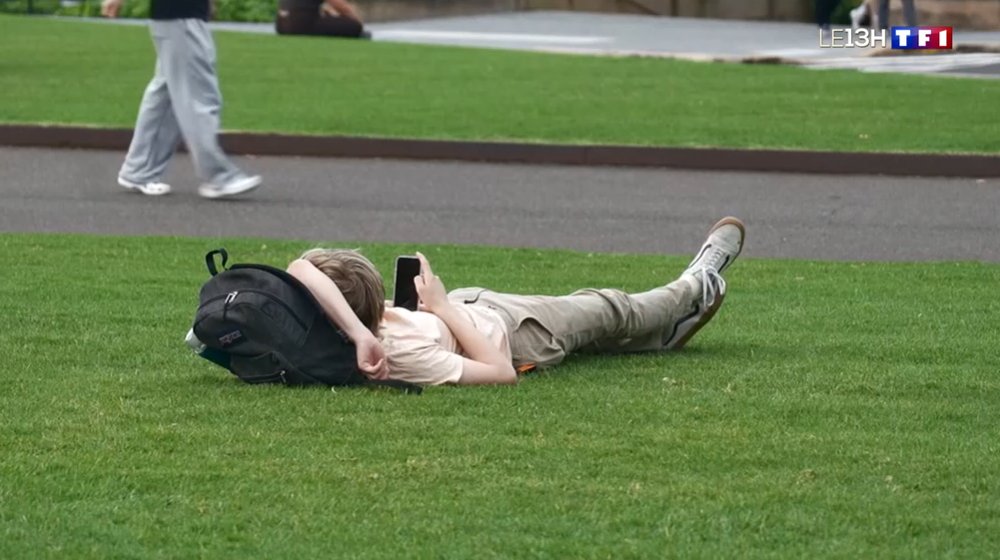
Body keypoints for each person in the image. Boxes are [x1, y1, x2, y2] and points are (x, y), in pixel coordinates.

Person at [285, 217, 747, 386]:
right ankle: (697, 281)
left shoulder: (344, 331)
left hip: (473, 306)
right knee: (610, 308)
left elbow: (300, 269)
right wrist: (442, 309)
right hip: (519, 334)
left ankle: (665, 335)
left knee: (597, 330)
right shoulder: (402, 356)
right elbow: (500, 373)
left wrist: (360, 332)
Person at [101, 0, 262, 199]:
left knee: (167, 94)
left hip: (179, 15)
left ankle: (139, 170)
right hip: (180, 15)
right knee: (199, 96)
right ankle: (219, 177)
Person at [276, 0, 370, 39]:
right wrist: (357, 21)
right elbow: (341, 6)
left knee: (327, 14)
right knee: (354, 26)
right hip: (301, 24)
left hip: (282, 25)